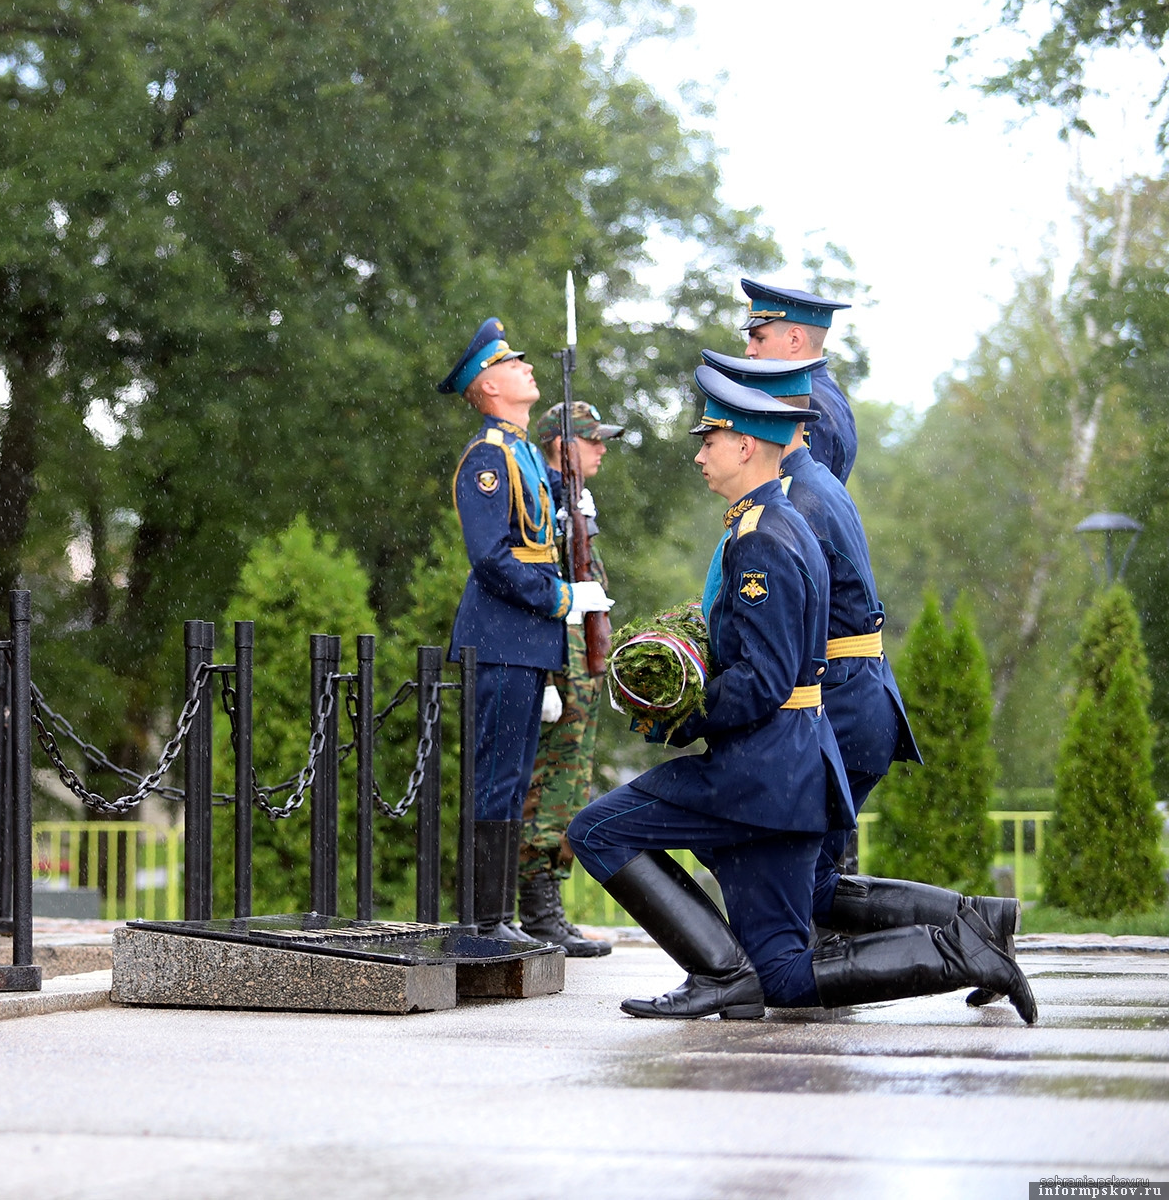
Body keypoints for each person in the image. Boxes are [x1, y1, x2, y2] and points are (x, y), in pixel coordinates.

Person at [568, 368, 1035, 1023]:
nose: (700, 453)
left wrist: (680, 715)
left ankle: (722, 973)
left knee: (597, 828)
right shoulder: (771, 521)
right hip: (789, 769)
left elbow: (765, 679)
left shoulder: (764, 539)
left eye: (713, 439)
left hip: (758, 772)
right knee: (786, 972)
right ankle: (965, 946)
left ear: (749, 446)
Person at [700, 349, 1020, 1007]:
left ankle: (956, 946)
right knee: (812, 878)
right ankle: (982, 920)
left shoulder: (795, 500)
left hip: (836, 703)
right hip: (854, 697)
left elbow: (780, 632)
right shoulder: (812, 483)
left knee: (794, 874)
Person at [438, 319, 609, 942]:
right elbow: (491, 556)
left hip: (523, 639)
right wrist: (563, 596)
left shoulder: (524, 453)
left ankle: (498, 919)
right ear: (488, 387)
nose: (526, 367)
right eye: (512, 363)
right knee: (496, 780)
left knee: (511, 781)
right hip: (502, 633)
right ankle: (484, 922)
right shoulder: (488, 458)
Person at [517, 400, 622, 958]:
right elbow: (542, 586)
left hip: (580, 659)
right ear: (565, 444)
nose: (603, 448)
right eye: (593, 439)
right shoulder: (544, 498)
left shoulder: (574, 500)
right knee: (552, 783)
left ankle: (549, 906)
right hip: (560, 660)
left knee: (573, 781)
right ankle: (537, 913)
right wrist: (551, 676)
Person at [739, 277, 857, 485]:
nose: (750, 350)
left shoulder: (804, 402)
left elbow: (799, 502)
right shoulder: (826, 394)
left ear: (795, 339)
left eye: (759, 338)